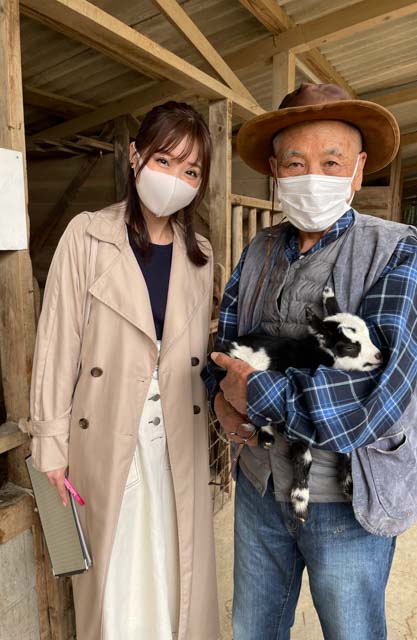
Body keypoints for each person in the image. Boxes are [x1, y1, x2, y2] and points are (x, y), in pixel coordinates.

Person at [202, 83, 417, 640]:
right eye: (296, 163)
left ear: (357, 172)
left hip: (350, 498)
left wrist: (253, 393)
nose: (314, 176)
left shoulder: (395, 250)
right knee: (253, 626)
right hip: (261, 488)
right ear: (275, 171)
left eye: (331, 162)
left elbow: (375, 392)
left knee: (351, 631)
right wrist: (220, 394)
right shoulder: (259, 250)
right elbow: (227, 342)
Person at [24, 102, 220, 640]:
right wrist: (50, 444)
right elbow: (57, 343)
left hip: (176, 436)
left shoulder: (199, 253)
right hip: (105, 435)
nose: (176, 179)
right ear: (135, 158)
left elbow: (192, 357)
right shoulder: (87, 236)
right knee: (114, 572)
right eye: (165, 159)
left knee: (174, 567)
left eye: (191, 170)